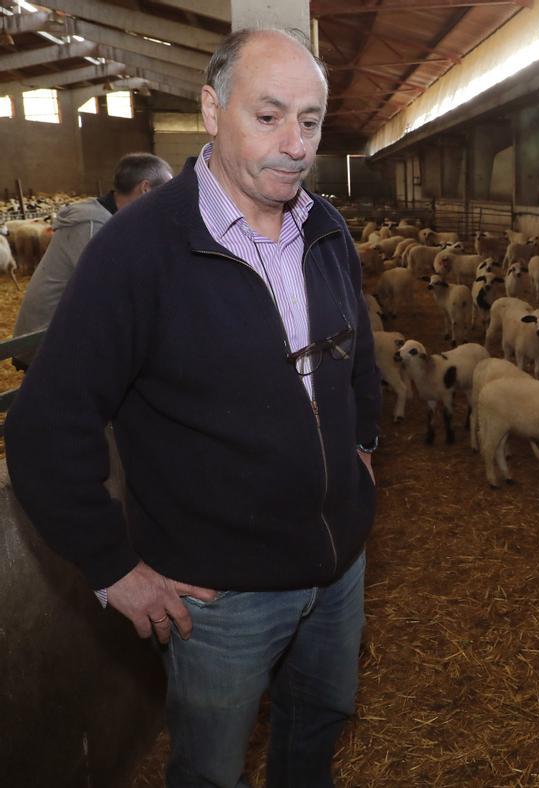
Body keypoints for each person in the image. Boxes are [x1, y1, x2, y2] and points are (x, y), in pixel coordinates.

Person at [4, 28, 381, 788]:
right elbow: (46, 424)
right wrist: (114, 568)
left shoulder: (326, 229)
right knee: (210, 765)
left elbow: (359, 357)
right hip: (221, 594)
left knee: (318, 726)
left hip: (337, 567)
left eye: (309, 121)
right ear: (212, 110)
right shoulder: (139, 250)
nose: (294, 144)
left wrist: (362, 452)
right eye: (268, 116)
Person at [10, 153, 173, 368]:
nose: (168, 199)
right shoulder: (92, 226)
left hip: (73, 332)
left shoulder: (115, 221)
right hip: (47, 341)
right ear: (145, 188)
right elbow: (106, 290)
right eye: (166, 191)